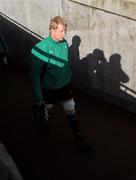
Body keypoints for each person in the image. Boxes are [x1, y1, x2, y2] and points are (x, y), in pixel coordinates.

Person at [30, 16, 91, 152]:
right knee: (45, 112)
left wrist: (68, 77)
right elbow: (34, 75)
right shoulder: (39, 49)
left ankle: (78, 136)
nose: (65, 34)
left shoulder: (63, 43)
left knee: (71, 110)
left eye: (65, 31)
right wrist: (39, 97)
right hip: (49, 89)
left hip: (64, 87)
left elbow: (67, 63)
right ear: (52, 30)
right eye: (62, 31)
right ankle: (39, 113)